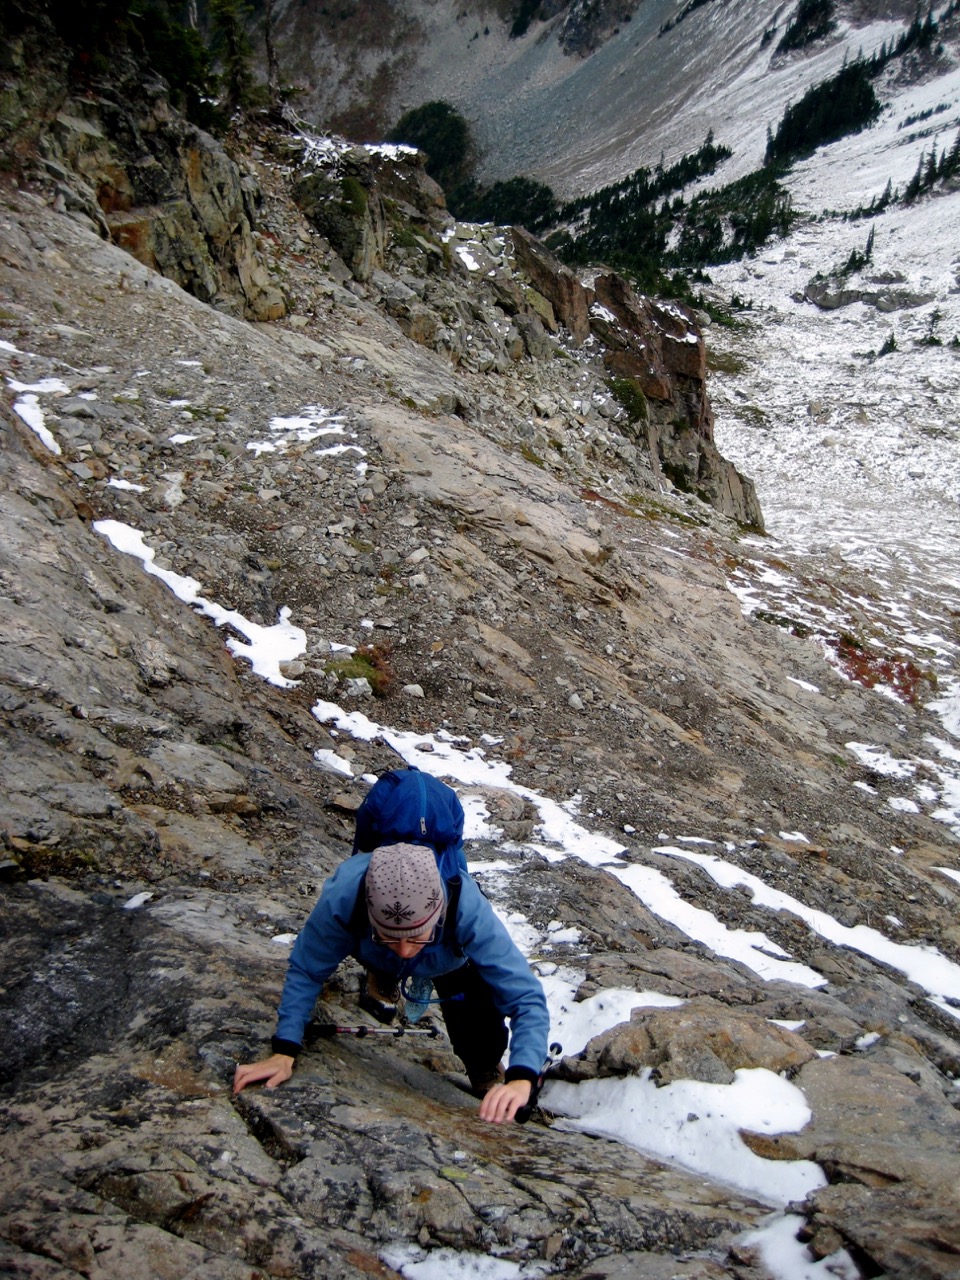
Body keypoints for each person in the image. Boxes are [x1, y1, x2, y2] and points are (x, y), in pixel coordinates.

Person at [234, 841, 550, 1124]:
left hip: (450, 961)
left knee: (478, 1016)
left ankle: (483, 1066)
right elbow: (307, 969)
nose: (404, 949)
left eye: (416, 937)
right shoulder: (345, 896)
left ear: (438, 914)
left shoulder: (466, 907)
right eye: (390, 936)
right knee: (388, 954)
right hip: (377, 951)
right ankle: (383, 969)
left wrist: (523, 1075)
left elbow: (525, 998)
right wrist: (285, 1048)